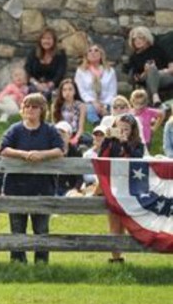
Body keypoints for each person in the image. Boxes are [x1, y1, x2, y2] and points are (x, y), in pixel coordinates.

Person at [0, 93, 64, 264]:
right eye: (27, 106)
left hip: (43, 187)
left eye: (34, 106)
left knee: (41, 228)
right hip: (16, 187)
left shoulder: (49, 130)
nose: (30, 109)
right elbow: (4, 148)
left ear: (42, 109)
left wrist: (42, 155)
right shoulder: (15, 129)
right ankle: (18, 263)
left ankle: (41, 264)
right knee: (17, 228)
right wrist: (23, 154)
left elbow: (60, 149)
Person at [99, 114, 146, 264]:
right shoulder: (111, 142)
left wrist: (126, 144)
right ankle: (116, 258)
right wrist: (107, 139)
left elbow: (137, 159)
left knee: (126, 222)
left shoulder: (138, 144)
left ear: (132, 131)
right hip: (113, 186)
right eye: (120, 128)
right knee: (114, 223)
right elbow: (101, 158)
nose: (122, 131)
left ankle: (124, 251)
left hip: (130, 188)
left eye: (126, 129)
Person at [125, 26, 173, 107]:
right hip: (145, 78)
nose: (137, 41)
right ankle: (155, 97)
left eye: (140, 38)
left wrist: (159, 72)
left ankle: (151, 103)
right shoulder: (134, 57)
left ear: (147, 38)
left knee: (152, 69)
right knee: (151, 69)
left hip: (164, 76)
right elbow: (137, 78)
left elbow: (171, 67)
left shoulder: (158, 50)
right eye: (134, 39)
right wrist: (146, 71)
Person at [74, 44, 117, 125]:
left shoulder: (110, 71)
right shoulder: (81, 71)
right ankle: (97, 124)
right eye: (90, 51)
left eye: (96, 50)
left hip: (106, 101)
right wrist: (93, 102)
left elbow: (112, 92)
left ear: (101, 54)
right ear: (86, 55)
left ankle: (107, 121)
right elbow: (81, 91)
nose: (93, 53)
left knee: (112, 109)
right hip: (89, 102)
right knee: (90, 109)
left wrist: (104, 105)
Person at [25, 27, 67, 100]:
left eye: (49, 38)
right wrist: (37, 84)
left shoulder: (60, 54)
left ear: (54, 40)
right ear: (40, 40)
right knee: (31, 91)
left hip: (52, 86)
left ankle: (41, 108)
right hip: (35, 84)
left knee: (47, 93)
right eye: (43, 38)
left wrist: (49, 85)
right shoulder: (33, 52)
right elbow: (27, 70)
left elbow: (60, 73)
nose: (46, 41)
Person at [51, 78, 88, 147]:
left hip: (74, 134)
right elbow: (54, 125)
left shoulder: (81, 106)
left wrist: (75, 139)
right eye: (64, 90)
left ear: (75, 91)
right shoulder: (55, 106)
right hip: (60, 134)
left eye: (70, 89)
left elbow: (80, 128)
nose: (67, 92)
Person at [53, 121, 83, 196]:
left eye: (63, 134)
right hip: (52, 188)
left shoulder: (75, 152)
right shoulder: (49, 149)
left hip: (68, 187)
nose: (60, 137)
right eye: (57, 134)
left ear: (69, 135)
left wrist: (75, 189)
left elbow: (80, 176)